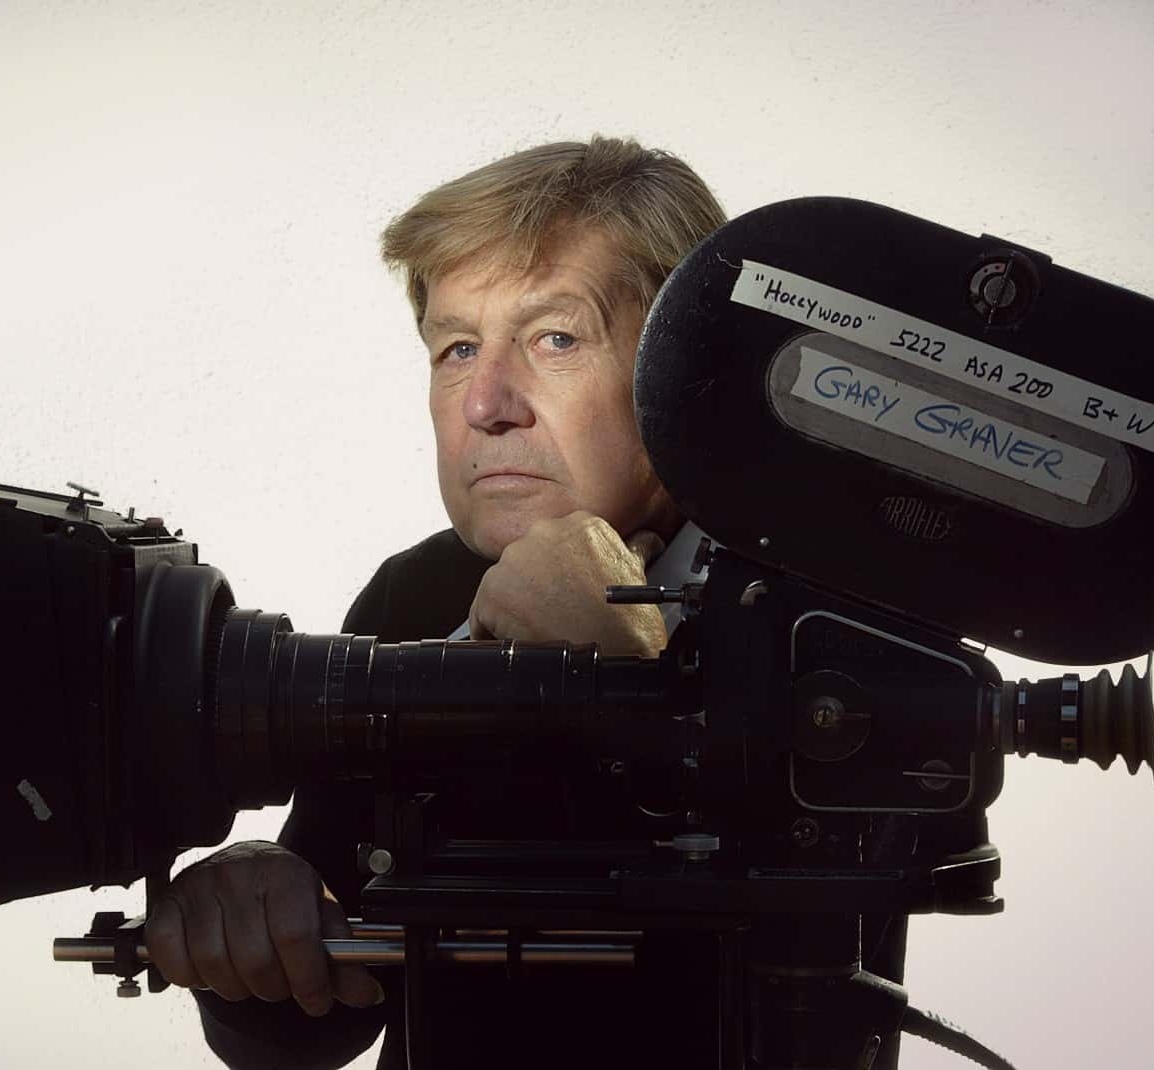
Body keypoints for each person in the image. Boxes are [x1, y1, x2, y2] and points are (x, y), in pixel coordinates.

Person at [146, 137, 734, 1068]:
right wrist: (258, 923)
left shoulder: (821, 608)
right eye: (458, 348)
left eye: (555, 338)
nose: (486, 404)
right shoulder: (414, 594)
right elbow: (320, 1021)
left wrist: (625, 676)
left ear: (685, 367)